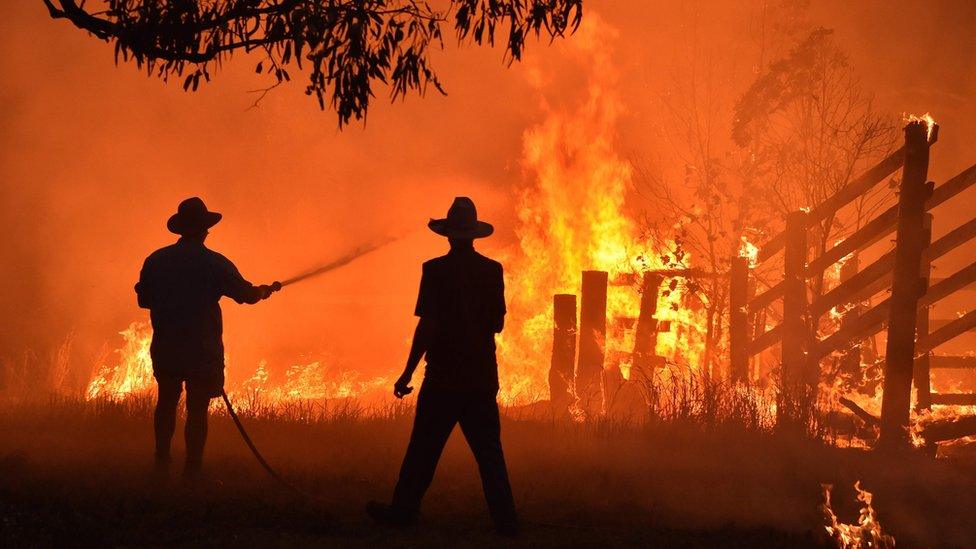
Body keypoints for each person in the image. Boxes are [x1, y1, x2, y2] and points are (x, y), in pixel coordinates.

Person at [367, 197, 519, 536]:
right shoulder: (492, 271)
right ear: (473, 235)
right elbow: (497, 324)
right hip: (480, 377)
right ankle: (507, 522)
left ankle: (403, 511)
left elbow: (428, 326)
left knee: (423, 448)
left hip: (443, 377)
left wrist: (407, 373)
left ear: (448, 236)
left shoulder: (434, 270)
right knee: (489, 453)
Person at [135, 197, 280, 478]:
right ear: (204, 231)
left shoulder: (156, 260)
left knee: (166, 402)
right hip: (201, 349)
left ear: (180, 230)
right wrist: (263, 291)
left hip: (166, 346)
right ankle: (192, 469)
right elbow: (245, 295)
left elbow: (144, 300)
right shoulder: (214, 263)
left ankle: (161, 462)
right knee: (197, 410)